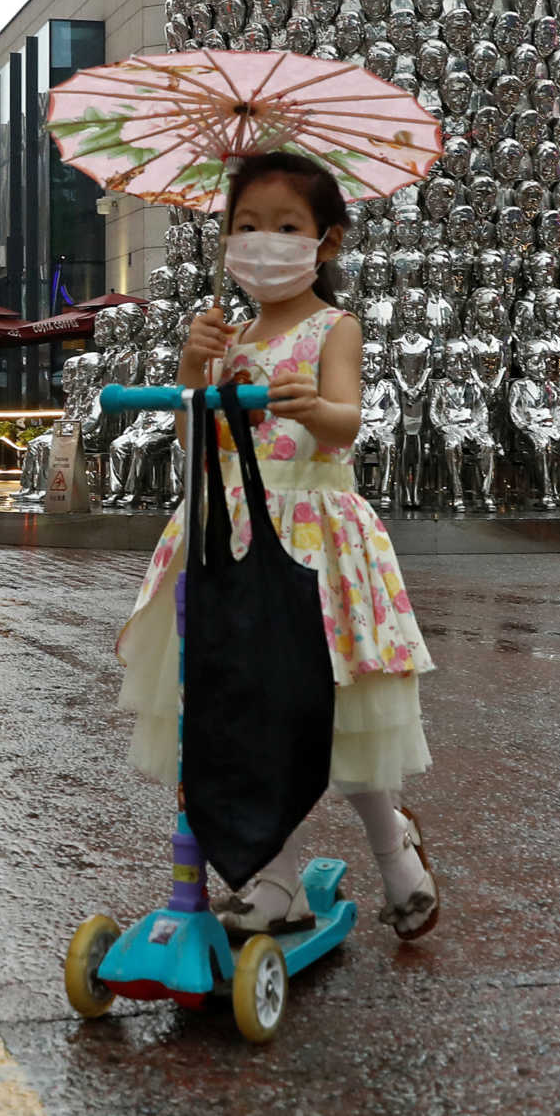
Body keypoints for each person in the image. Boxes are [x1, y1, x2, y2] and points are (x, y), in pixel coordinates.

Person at [118, 151, 441, 942]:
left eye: (286, 227)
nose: (264, 242)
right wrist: (193, 366)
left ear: (325, 243)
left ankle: (391, 844)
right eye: (247, 226)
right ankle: (275, 878)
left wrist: (309, 405)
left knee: (333, 711)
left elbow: (347, 421)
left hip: (314, 539)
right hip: (227, 535)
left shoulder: (336, 327)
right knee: (247, 715)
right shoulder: (227, 335)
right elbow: (194, 431)